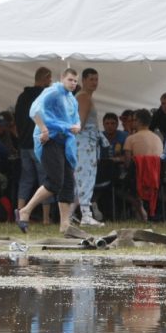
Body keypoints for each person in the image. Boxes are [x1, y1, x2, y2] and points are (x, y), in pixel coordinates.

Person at [15, 68, 81, 233]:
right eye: (70, 80)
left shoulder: (71, 99)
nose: (73, 83)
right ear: (62, 78)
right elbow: (34, 111)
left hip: (64, 140)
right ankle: (25, 210)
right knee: (55, 181)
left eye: (75, 81)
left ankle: (65, 225)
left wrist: (77, 127)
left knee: (68, 183)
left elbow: (76, 119)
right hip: (48, 139)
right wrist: (44, 130)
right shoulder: (52, 92)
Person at [15, 67, 54, 224]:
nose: (51, 83)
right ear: (45, 78)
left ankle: (19, 212)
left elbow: (16, 119)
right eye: (50, 80)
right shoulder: (44, 96)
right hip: (39, 143)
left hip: (24, 144)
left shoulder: (22, 96)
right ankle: (45, 218)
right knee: (45, 179)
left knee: (26, 179)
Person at [73, 68, 105, 226]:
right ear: (83, 80)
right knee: (85, 177)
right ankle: (86, 214)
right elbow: (80, 123)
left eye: (96, 79)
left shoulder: (84, 96)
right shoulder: (84, 97)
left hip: (86, 142)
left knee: (80, 178)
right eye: (91, 79)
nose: (94, 82)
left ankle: (71, 214)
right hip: (85, 143)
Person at [124, 108, 163, 221]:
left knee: (118, 186)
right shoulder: (158, 138)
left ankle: (138, 206)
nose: (132, 122)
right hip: (156, 179)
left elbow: (127, 163)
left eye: (134, 120)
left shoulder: (131, 139)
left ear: (139, 122)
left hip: (137, 178)